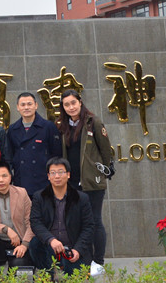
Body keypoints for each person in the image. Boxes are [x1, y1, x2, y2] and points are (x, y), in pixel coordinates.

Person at [57, 89, 113, 271]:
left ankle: (99, 261)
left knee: (94, 220)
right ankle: (86, 260)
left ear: (80, 102)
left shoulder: (93, 122)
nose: (71, 107)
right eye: (66, 104)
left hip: (91, 182)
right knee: (79, 222)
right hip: (71, 183)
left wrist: (104, 171)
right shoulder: (64, 126)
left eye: (73, 103)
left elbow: (106, 150)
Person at [29, 158, 96, 276]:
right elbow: (35, 222)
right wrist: (51, 240)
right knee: (35, 243)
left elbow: (88, 227)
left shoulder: (81, 198)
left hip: (72, 250)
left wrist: (78, 250)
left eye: (61, 172)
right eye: (53, 173)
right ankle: (48, 275)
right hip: (49, 248)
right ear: (48, 176)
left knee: (72, 277)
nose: (57, 176)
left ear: (68, 175)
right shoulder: (39, 197)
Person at [6, 92, 62, 197]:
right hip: (21, 182)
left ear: (36, 105)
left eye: (29, 104)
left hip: (43, 182)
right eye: (23, 105)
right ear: (18, 107)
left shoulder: (48, 127)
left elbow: (57, 155)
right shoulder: (13, 129)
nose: (26, 107)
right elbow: (10, 155)